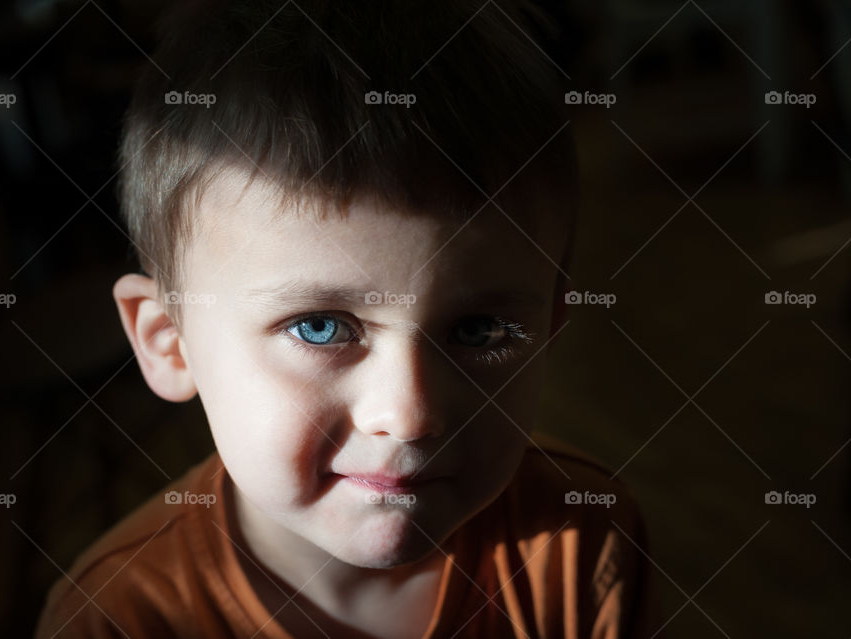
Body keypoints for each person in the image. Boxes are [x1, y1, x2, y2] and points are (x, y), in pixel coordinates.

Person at [36, 0, 660, 636]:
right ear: (169, 341)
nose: (411, 415)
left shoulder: (582, 538)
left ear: (551, 328)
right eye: (321, 327)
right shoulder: (117, 616)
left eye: (478, 331)